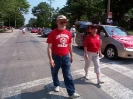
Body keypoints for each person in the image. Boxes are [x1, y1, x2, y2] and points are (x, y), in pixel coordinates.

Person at [46, 15, 80, 98]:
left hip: (65, 57)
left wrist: (72, 55)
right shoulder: (52, 33)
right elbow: (49, 47)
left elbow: (70, 46)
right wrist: (50, 59)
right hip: (55, 57)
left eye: (65, 22)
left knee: (68, 75)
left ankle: (71, 93)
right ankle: (56, 84)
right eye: (61, 22)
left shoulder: (68, 33)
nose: (63, 24)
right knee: (54, 73)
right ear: (57, 22)